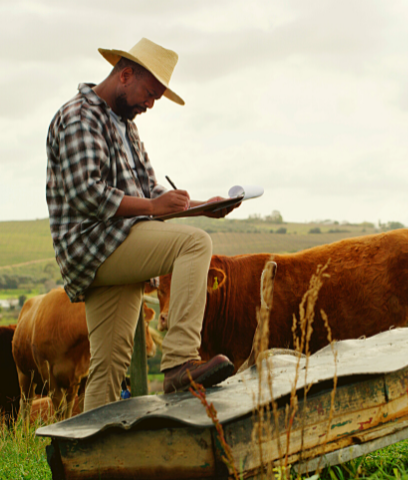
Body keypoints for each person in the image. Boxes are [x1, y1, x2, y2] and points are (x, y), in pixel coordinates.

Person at [46, 38, 237, 412]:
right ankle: (180, 362)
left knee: (110, 366)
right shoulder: (79, 117)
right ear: (125, 74)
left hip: (117, 245)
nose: (150, 105)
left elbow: (150, 190)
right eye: (149, 94)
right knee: (194, 245)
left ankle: (90, 461)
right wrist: (152, 205)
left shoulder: (125, 125)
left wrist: (202, 207)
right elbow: (87, 193)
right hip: (95, 244)